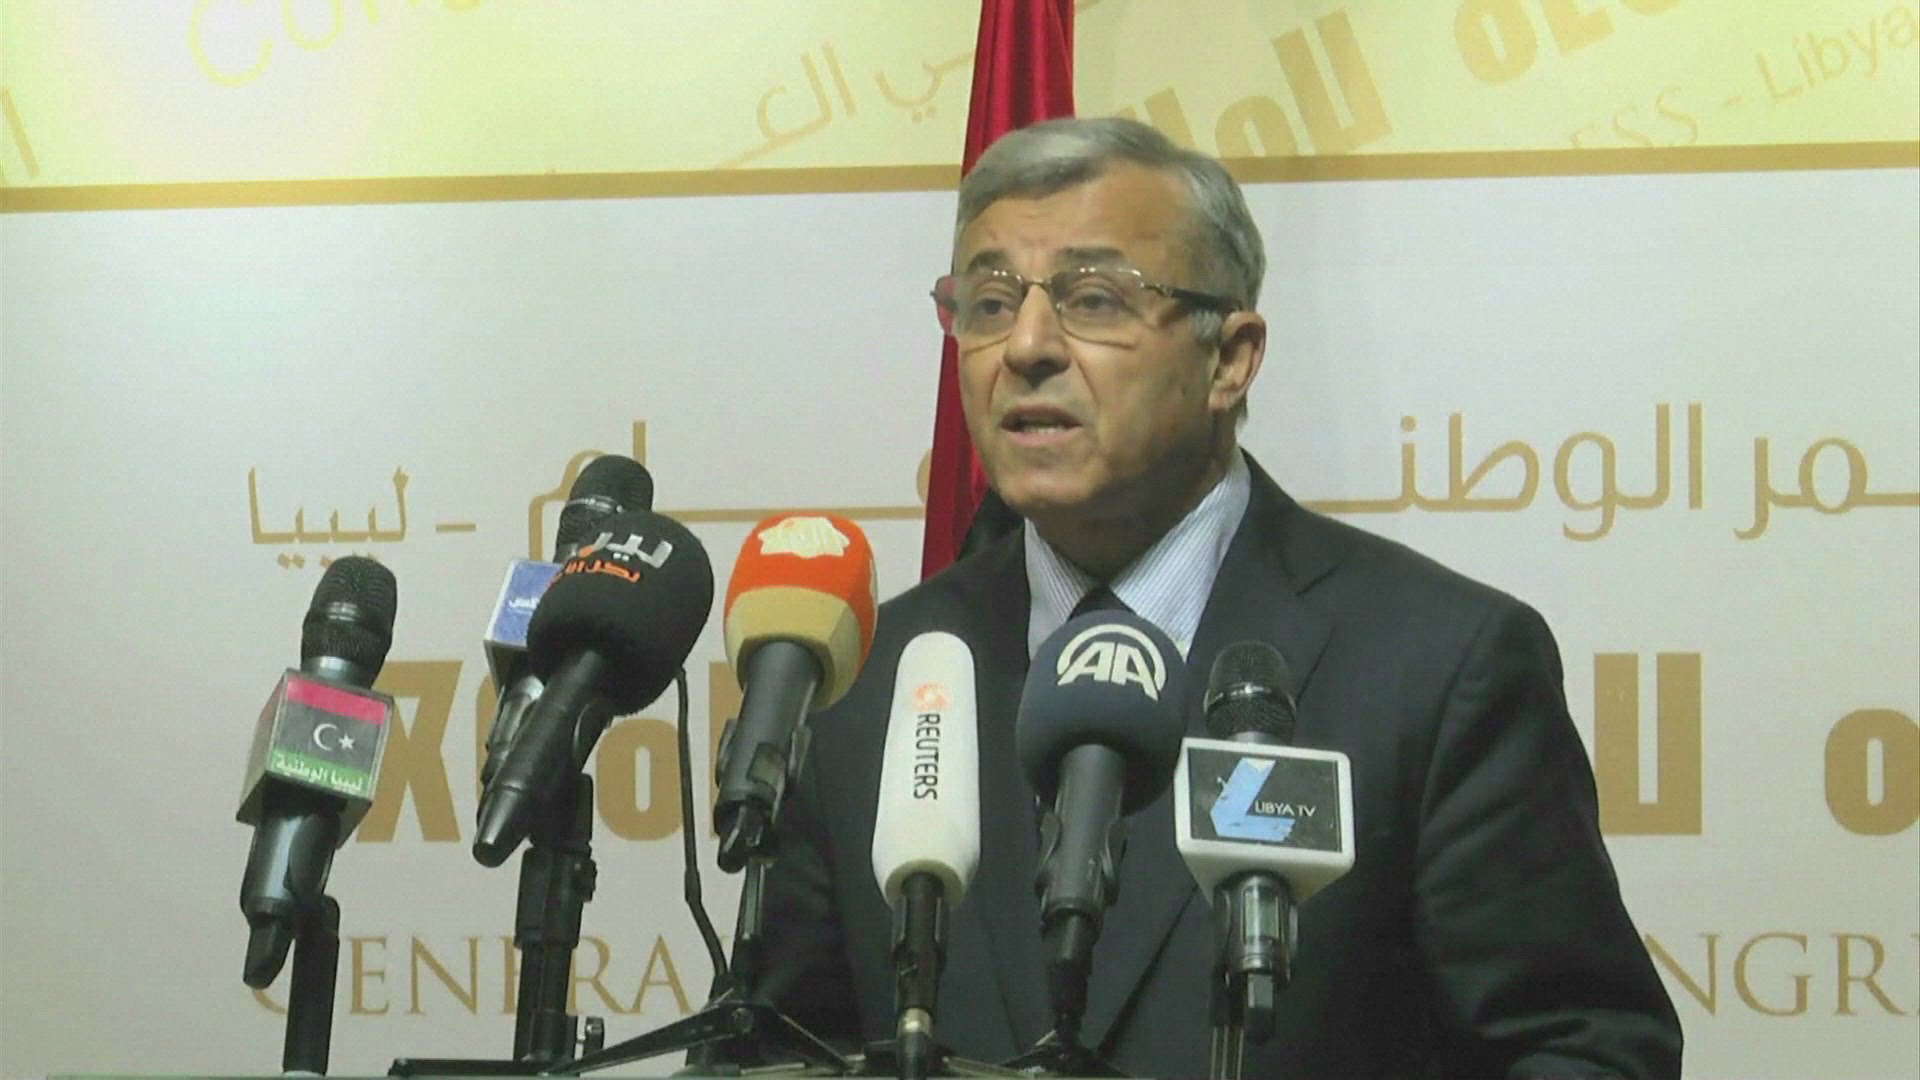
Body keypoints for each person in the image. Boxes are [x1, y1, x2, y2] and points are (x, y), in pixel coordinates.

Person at [747, 117, 1682, 1079]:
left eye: (1092, 298)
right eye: (988, 304)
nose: (1025, 346)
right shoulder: (867, 679)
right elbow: (781, 1050)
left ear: (1230, 359)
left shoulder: (1439, 667)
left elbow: (1586, 1051)